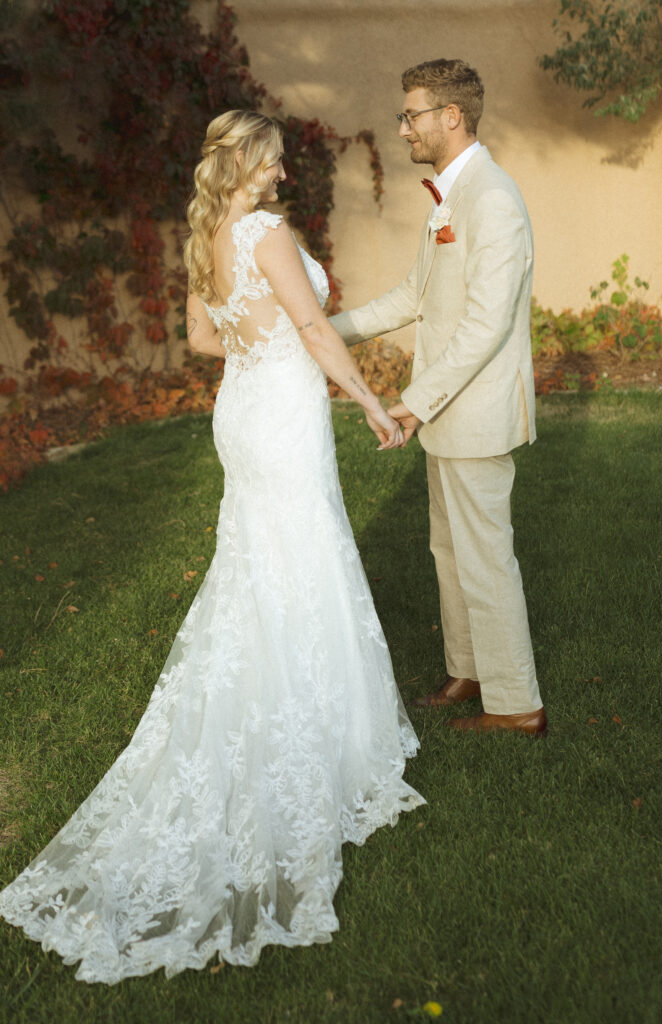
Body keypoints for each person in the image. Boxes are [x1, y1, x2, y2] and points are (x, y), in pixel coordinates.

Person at [0, 110, 424, 983]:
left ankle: (298, 706)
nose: (278, 174)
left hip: (242, 410)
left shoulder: (205, 231)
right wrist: (374, 405)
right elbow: (312, 332)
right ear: (251, 162)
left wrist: (255, 343)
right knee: (301, 558)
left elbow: (202, 338)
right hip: (282, 415)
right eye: (271, 162)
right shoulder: (265, 230)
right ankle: (316, 732)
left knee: (262, 566)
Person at [330, 59, 546, 737]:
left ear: (450, 117)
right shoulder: (451, 197)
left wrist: (417, 399)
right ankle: (468, 670)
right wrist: (319, 333)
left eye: (410, 115)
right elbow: (413, 296)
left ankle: (515, 705)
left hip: (474, 413)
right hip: (448, 414)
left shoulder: (492, 199)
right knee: (447, 551)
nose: (402, 129)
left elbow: (485, 322)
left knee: (484, 558)